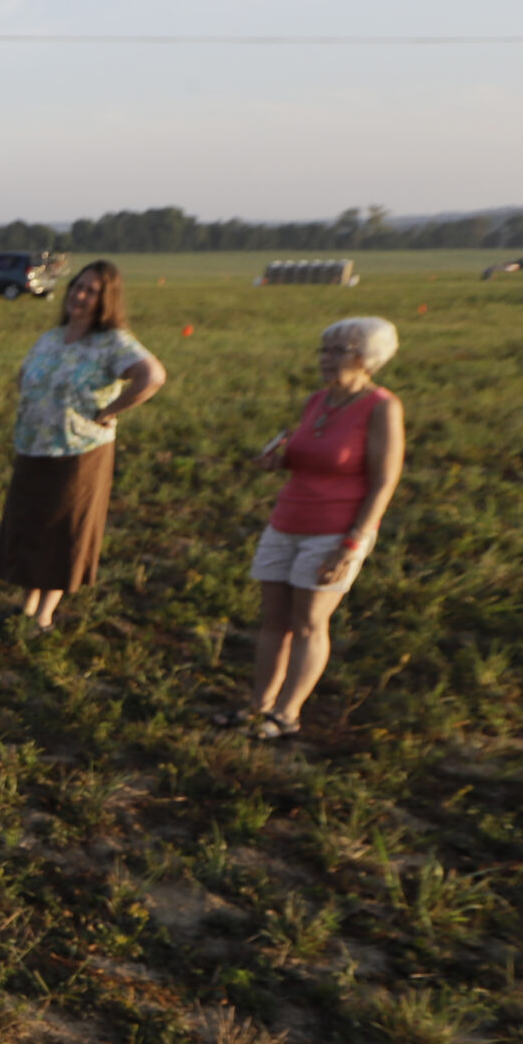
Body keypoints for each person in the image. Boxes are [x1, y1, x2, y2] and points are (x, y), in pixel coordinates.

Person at [226, 316, 406, 739]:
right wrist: (277, 460)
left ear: (367, 358)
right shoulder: (317, 401)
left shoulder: (381, 407)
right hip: (287, 520)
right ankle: (258, 707)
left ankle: (286, 715)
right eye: (323, 350)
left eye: (337, 351)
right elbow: (307, 455)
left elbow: (384, 482)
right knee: (273, 620)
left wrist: (352, 543)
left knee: (308, 621)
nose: (325, 359)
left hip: (336, 530)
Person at [0, 260, 166, 632]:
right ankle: (26, 607)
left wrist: (110, 411)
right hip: (33, 447)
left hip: (78, 453)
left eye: (91, 291)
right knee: (31, 526)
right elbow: (23, 375)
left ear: (106, 300)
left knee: (60, 532)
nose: (79, 295)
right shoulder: (51, 337)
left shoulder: (112, 341)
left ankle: (43, 617)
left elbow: (152, 376)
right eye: (77, 286)